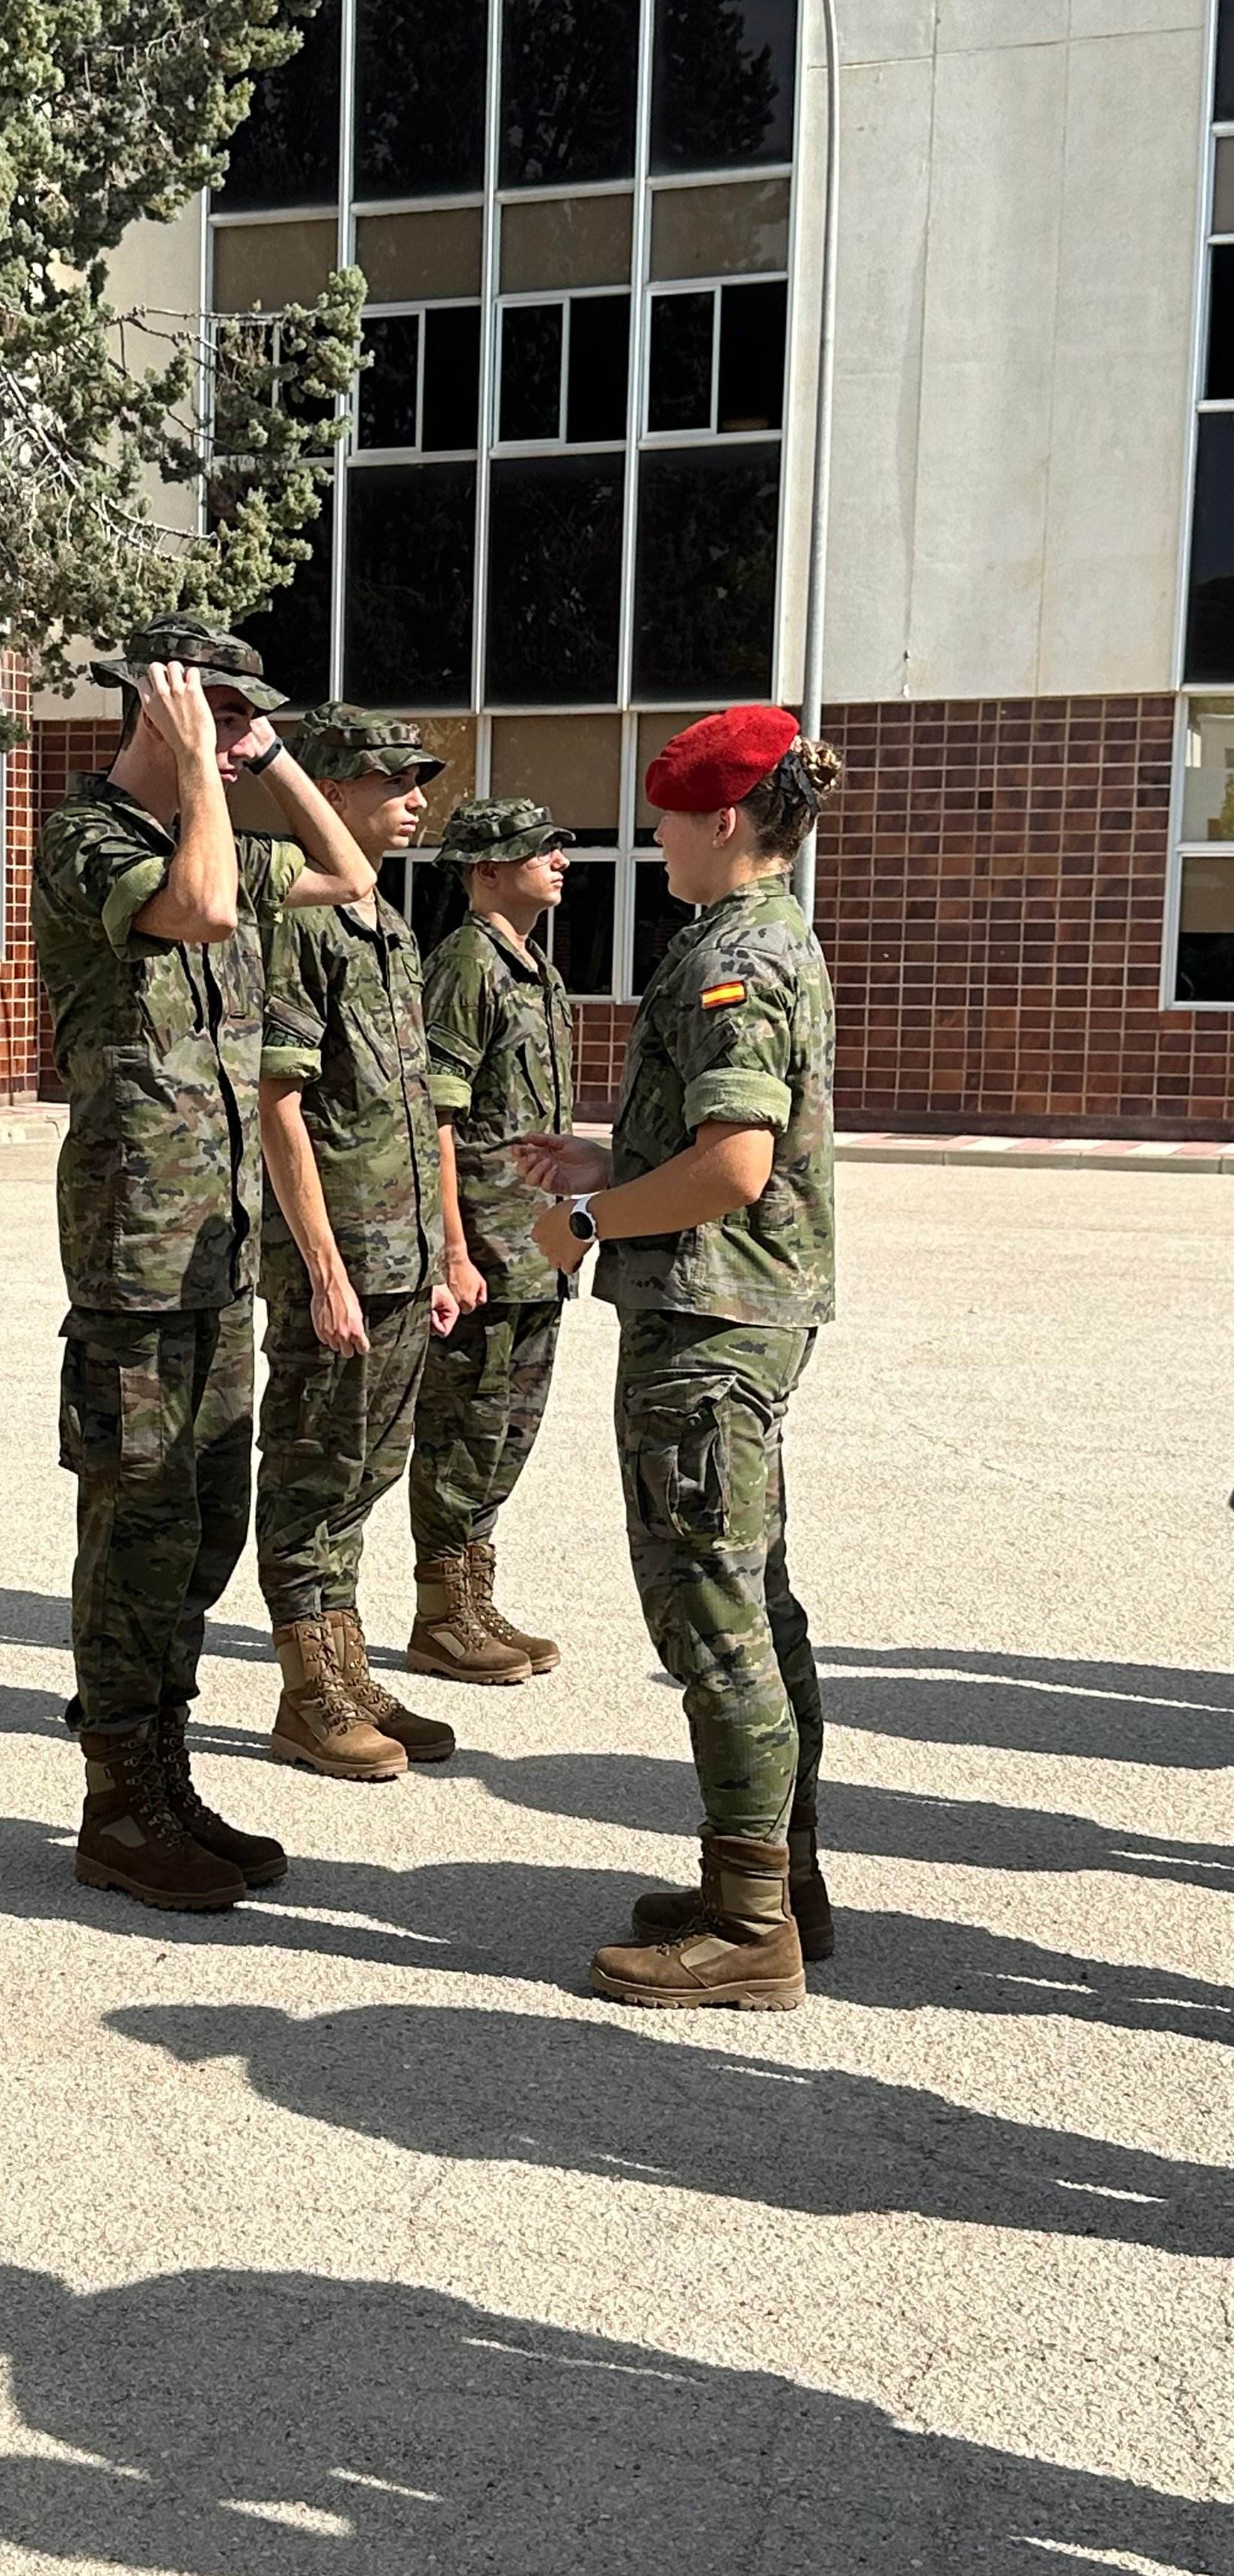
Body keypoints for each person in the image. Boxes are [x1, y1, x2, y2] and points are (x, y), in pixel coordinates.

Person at [34, 618, 375, 1908]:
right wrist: (192, 763)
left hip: (211, 1251)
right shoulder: (92, 843)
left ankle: (166, 1781)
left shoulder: (212, 817)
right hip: (131, 1254)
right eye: (221, 715)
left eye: (246, 720)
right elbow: (209, 905)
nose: (238, 741)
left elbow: (345, 875)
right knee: (136, 1525)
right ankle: (117, 1804)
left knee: (201, 1529)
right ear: (159, 708)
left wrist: (270, 757)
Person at [518, 704, 842, 2011]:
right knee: (750, 1598)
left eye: (659, 815)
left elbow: (732, 1168)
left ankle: (749, 1923)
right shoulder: (743, 938)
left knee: (710, 1610)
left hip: (706, 1330)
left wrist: (585, 1220)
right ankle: (772, 1884)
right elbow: (710, 1148)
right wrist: (609, 1164)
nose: (646, 837)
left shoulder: (740, 958)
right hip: (727, 1311)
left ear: (721, 818)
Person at [253, 705, 459, 1782]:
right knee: (307, 1472)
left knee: (365, 1471)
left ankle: (348, 1662)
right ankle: (307, 1693)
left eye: (419, 779)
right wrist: (326, 1268)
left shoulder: (389, 923)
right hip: (334, 1260)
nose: (416, 796)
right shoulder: (301, 920)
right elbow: (277, 1104)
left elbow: (412, 1107)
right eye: (392, 779)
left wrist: (436, 1254)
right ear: (331, 792)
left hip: (400, 1257)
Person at [407, 794, 579, 1687]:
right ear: (484, 871)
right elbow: (436, 1117)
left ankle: (472, 1592)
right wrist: (453, 1250)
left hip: (536, 1247)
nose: (559, 858)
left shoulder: (532, 969)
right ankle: (443, 1614)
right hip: (486, 1245)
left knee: (510, 1429)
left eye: (558, 848)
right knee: (463, 1429)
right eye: (538, 849)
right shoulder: (466, 967)